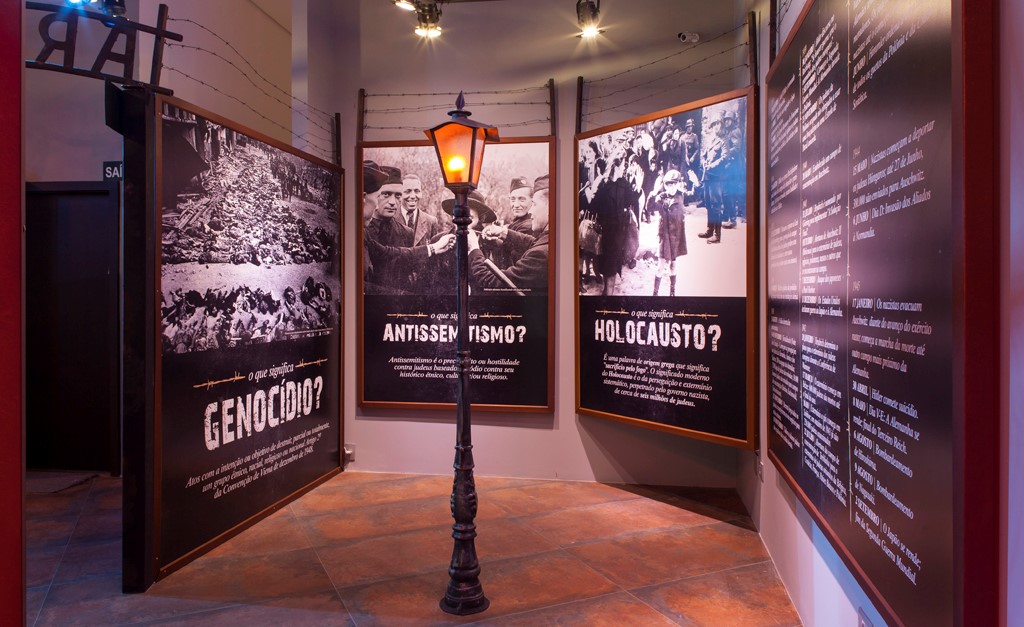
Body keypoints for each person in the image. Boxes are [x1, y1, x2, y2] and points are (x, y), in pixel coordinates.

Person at [363, 162, 454, 293]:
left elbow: (408, 269)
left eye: (397, 195)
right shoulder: (362, 230)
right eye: (386, 194)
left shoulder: (406, 232)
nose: (393, 202)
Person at [467, 175, 550, 293]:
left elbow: (494, 283)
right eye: (512, 199)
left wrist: (474, 249)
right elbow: (533, 243)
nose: (531, 211)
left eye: (534, 204)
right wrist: (504, 233)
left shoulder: (541, 253)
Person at [645, 169, 687, 296]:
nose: (671, 188)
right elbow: (649, 208)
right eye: (669, 185)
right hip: (664, 237)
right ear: (665, 186)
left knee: (673, 265)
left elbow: (695, 192)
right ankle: (655, 293)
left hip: (676, 237)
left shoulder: (681, 196)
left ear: (678, 184)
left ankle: (672, 292)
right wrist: (653, 194)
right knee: (660, 266)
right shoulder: (661, 198)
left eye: (674, 184)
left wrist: (696, 183)